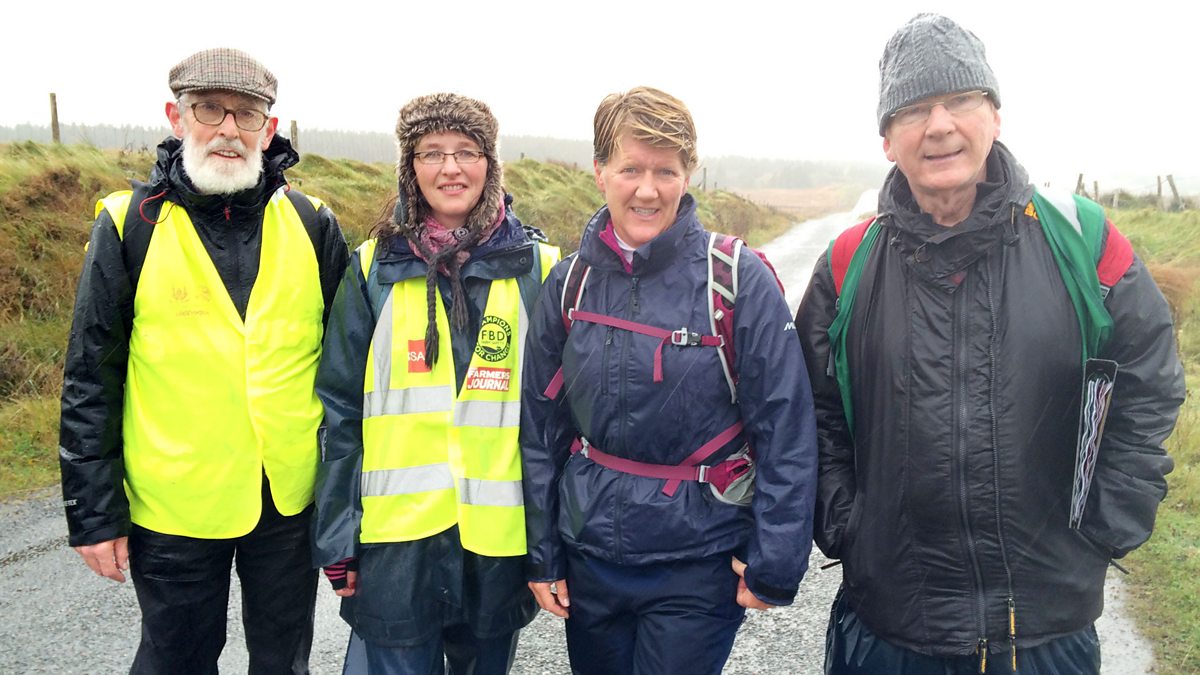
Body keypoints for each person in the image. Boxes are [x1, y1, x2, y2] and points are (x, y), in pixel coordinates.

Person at [795, 14, 1186, 674]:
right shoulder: (846, 263)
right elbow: (814, 412)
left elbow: (1148, 374)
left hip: (1046, 633)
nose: (940, 124)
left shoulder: (1082, 240)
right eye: (914, 109)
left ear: (995, 117)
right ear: (888, 139)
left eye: (961, 100)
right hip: (889, 631)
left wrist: (1110, 514)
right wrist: (847, 525)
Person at [57, 47, 348, 673]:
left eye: (247, 115)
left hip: (287, 501)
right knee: (176, 661)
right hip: (174, 505)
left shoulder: (312, 222)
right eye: (208, 109)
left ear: (270, 131)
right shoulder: (127, 223)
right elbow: (91, 377)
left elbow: (349, 371)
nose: (227, 129)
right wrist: (92, 512)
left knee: (283, 662)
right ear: (176, 116)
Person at [520, 86, 818, 675]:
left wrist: (777, 559)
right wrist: (542, 553)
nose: (648, 189)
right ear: (600, 171)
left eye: (666, 170)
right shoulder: (568, 284)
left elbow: (785, 424)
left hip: (698, 563)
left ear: (689, 175)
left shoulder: (737, 280)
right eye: (631, 168)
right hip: (591, 560)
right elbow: (541, 429)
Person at [312, 92, 559, 674]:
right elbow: (339, 410)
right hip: (396, 548)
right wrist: (337, 535)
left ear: (489, 163)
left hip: (498, 546)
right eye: (431, 152)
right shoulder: (372, 268)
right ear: (410, 166)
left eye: (466, 151)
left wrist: (553, 543)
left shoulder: (540, 269)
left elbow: (558, 426)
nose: (450, 168)